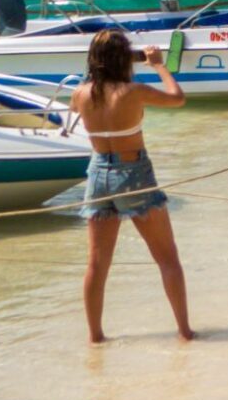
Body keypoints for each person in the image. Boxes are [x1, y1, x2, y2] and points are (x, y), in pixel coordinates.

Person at [71, 29, 193, 344]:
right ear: (123, 58)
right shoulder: (133, 91)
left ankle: (95, 336)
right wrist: (158, 65)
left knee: (97, 264)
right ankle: (184, 332)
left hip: (98, 174)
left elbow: (79, 110)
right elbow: (177, 99)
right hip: (134, 172)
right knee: (167, 258)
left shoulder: (81, 93)